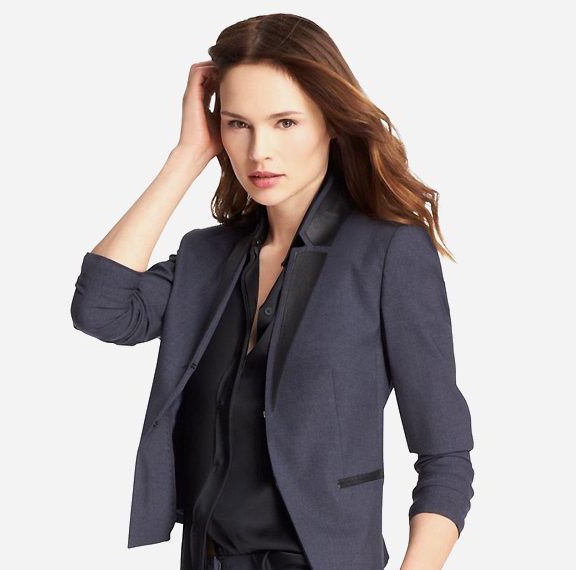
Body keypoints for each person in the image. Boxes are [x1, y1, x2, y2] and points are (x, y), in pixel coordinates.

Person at [71, 13, 475, 570]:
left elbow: (445, 457)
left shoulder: (387, 252)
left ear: (330, 121)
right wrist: (186, 156)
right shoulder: (207, 256)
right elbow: (101, 309)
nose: (259, 151)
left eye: (285, 122)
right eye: (238, 124)